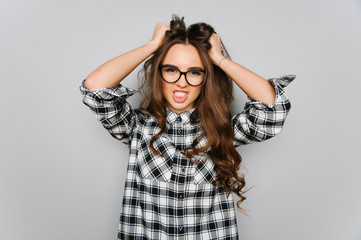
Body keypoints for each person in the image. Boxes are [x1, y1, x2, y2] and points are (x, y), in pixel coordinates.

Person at [80, 15, 295, 240]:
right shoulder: (136, 127)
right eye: (171, 70)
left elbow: (272, 108)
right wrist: (151, 47)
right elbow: (95, 87)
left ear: (205, 78)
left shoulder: (223, 130)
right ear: (159, 73)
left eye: (194, 72)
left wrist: (219, 59)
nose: (182, 82)